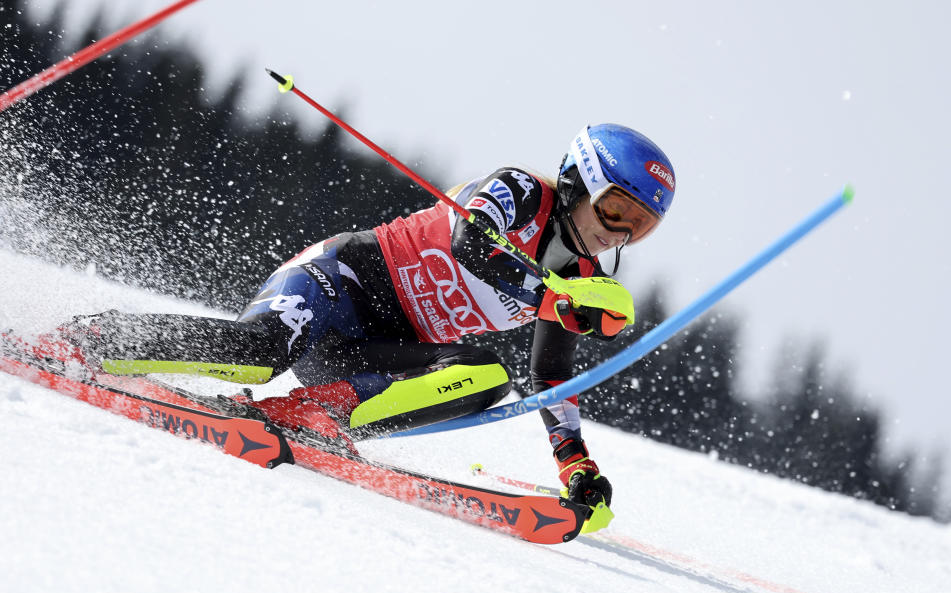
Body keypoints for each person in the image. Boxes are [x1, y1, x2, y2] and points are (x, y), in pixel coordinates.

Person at [45, 123, 676, 510]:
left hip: (378, 349)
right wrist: (552, 299)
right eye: (618, 208)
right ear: (579, 179)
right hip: (337, 283)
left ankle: (306, 416)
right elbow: (469, 244)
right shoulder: (520, 190)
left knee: (488, 377)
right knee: (257, 352)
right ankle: (93, 339)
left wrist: (576, 463)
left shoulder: (581, 283)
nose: (619, 233)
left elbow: (551, 375)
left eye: (641, 227)